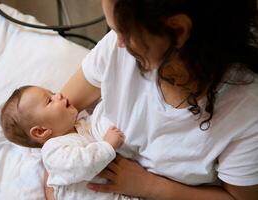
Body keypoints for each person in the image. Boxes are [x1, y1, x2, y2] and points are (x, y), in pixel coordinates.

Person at [54, 0, 258, 199]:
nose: (118, 43)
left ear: (177, 30)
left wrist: (151, 187)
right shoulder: (116, 50)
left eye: (122, 31)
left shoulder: (247, 111)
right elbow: (50, 120)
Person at [0, 85, 140, 200]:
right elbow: (81, 164)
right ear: (41, 131)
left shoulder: (82, 124)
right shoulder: (52, 151)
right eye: (49, 100)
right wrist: (108, 145)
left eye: (53, 93)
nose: (59, 95)